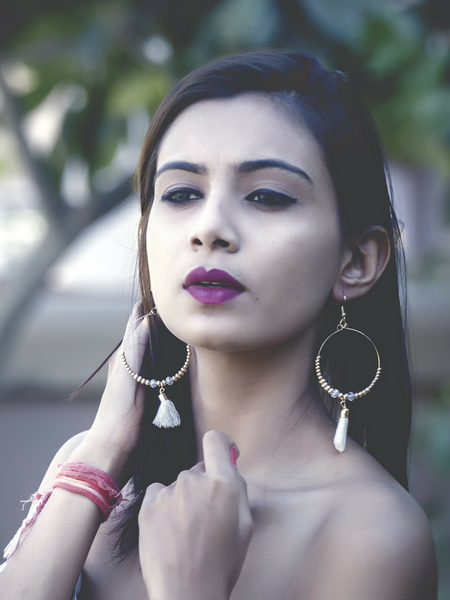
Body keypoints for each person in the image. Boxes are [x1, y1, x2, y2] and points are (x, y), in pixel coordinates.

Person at [0, 50, 438, 600]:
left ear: (356, 261)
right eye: (181, 193)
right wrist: (103, 450)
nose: (210, 228)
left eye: (267, 196)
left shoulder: (371, 534)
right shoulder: (89, 470)